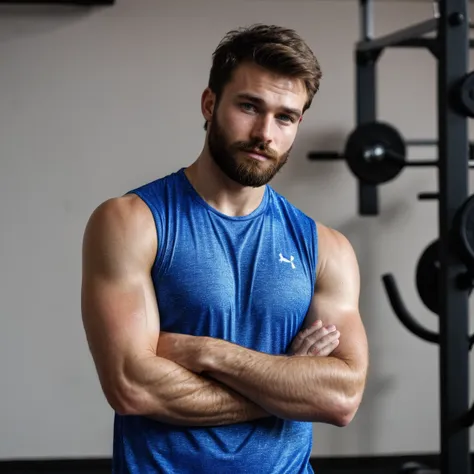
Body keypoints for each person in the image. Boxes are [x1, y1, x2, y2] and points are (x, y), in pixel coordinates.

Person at [81, 24, 369, 474]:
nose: (264, 133)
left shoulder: (326, 249)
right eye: (249, 106)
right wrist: (286, 382)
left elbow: (342, 396)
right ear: (210, 104)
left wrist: (207, 353)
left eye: (285, 117)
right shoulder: (132, 222)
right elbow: (133, 387)